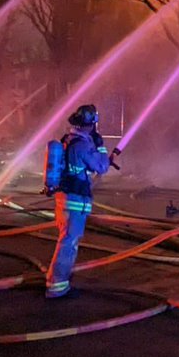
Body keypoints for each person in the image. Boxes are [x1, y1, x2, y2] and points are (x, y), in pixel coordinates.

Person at [43, 104, 111, 299]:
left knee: (67, 240)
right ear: (90, 126)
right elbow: (102, 166)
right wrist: (101, 146)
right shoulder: (82, 145)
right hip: (74, 201)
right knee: (68, 242)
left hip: (64, 198)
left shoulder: (68, 141)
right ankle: (56, 286)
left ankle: (58, 279)